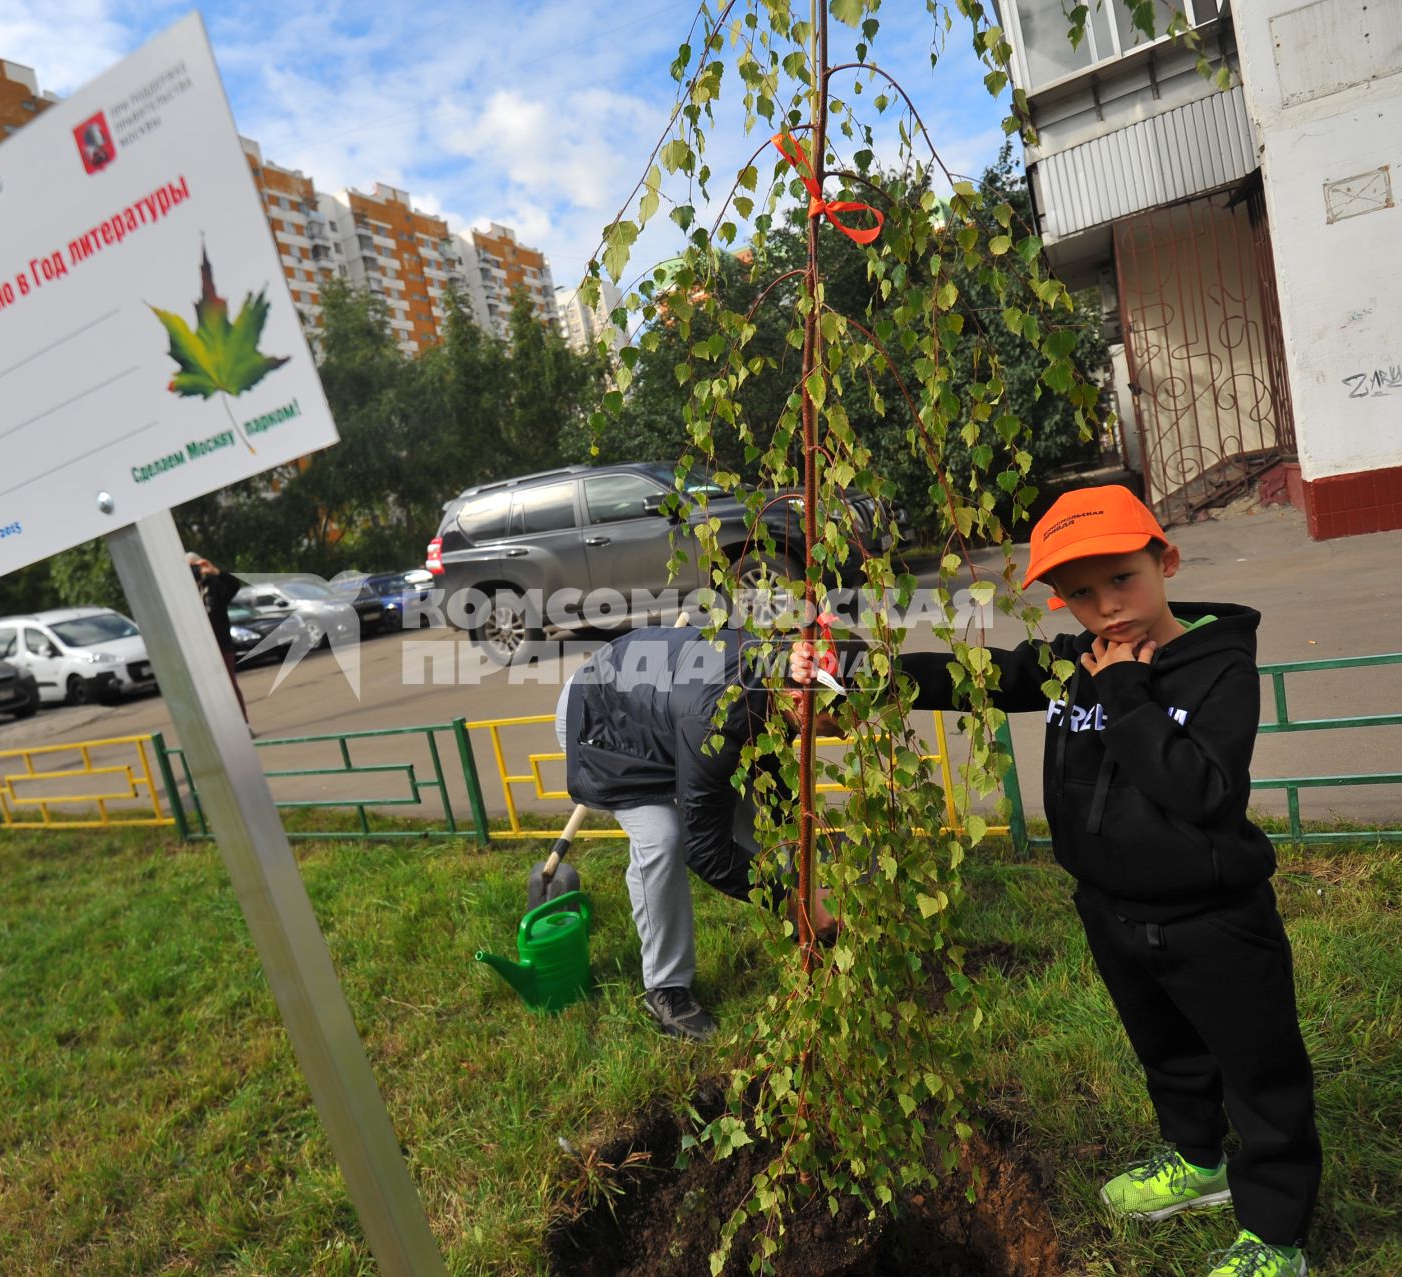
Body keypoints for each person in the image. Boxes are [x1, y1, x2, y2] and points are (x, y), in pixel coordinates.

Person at [792, 485, 1319, 1277]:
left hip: (1214, 918)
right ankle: (1197, 1162)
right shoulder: (1074, 659)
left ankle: (1276, 1233)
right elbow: (975, 676)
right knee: (1167, 1051)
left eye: (1122, 579)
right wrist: (853, 668)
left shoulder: (1219, 669)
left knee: (1258, 1068)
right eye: (1079, 592)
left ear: (1164, 560)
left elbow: (1203, 792)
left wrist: (1126, 693)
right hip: (1110, 910)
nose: (1106, 609)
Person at [558, 623, 841, 1043]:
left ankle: (814, 929)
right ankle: (665, 988)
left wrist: (810, 881)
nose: (837, 733)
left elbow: (780, 804)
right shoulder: (724, 711)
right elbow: (704, 848)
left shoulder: (784, 671)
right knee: (663, 838)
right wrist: (788, 901)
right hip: (603, 724)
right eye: (827, 726)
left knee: (760, 809)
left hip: (663, 708)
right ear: (799, 701)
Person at [186, 552, 249, 723]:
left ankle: (243, 724)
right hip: (198, 649)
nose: (192, 571)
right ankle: (222, 725)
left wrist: (216, 572)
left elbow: (234, 587)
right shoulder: (184, 594)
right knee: (208, 691)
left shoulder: (213, 586)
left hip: (221, 645)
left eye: (195, 566)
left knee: (229, 685)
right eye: (188, 568)